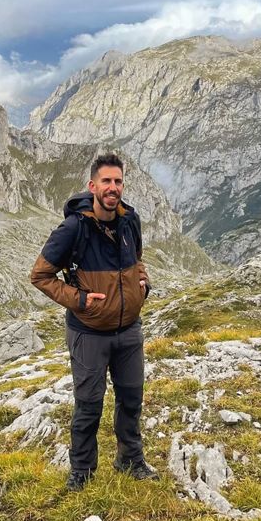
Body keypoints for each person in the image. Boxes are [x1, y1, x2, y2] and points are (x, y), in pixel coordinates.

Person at [30, 153, 159, 491]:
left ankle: (130, 459)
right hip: (88, 333)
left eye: (118, 181)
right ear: (92, 186)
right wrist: (81, 300)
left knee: (131, 399)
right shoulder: (75, 227)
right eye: (106, 182)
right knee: (89, 407)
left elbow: (137, 259)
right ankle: (82, 472)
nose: (113, 188)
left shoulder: (131, 220)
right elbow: (40, 275)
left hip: (129, 331)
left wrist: (142, 285)